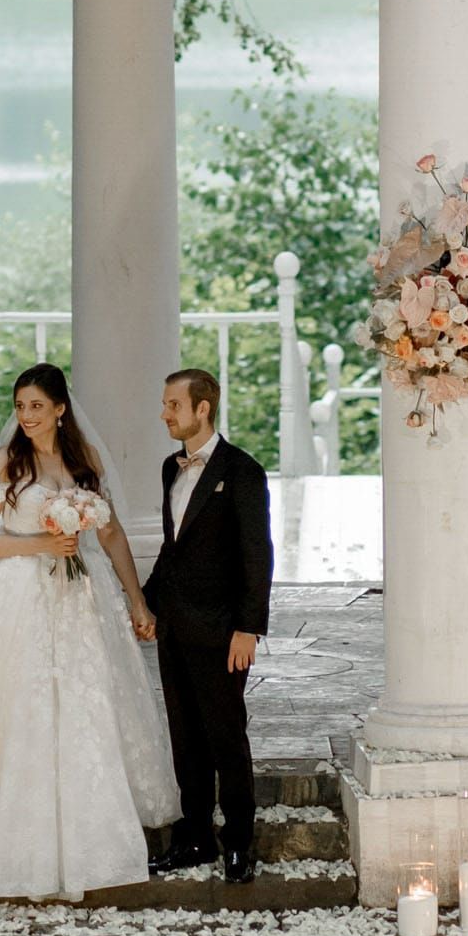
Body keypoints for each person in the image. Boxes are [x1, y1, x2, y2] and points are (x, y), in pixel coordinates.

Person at [0, 364, 179, 900]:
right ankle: (28, 838)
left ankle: (94, 834)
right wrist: (39, 545)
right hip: (22, 597)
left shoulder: (83, 459)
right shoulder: (6, 461)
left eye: (36, 407)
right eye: (20, 406)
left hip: (80, 600)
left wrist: (136, 599)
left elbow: (111, 535)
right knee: (31, 706)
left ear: (60, 409)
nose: (26, 416)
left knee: (86, 704)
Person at [143, 367, 273, 885]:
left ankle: (238, 842)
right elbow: (173, 550)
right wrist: (145, 604)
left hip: (222, 632)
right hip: (174, 627)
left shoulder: (242, 471)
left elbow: (257, 555)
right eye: (164, 404)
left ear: (203, 408)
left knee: (226, 738)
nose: (164, 414)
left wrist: (248, 628)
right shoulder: (169, 468)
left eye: (173, 405)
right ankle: (194, 837)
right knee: (185, 738)